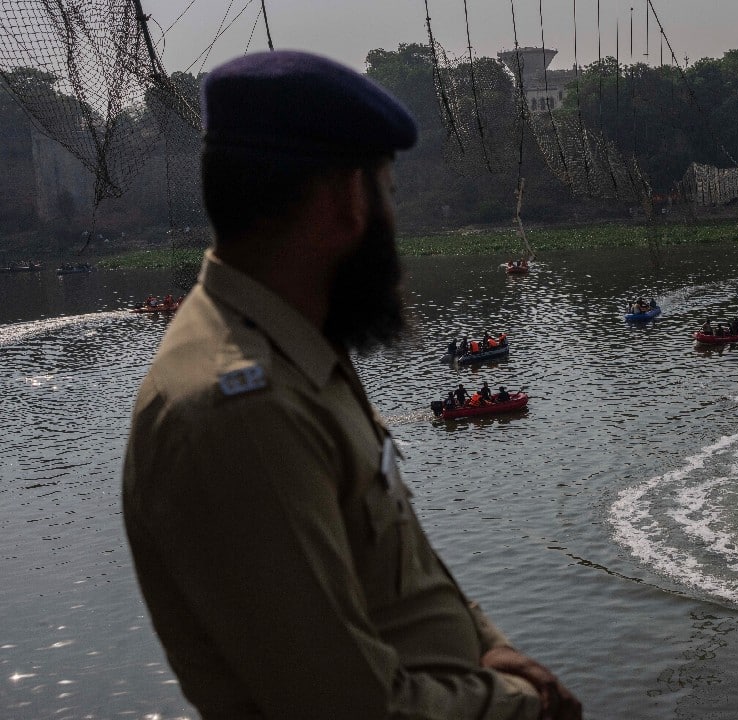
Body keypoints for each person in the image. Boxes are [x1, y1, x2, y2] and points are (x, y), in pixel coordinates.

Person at [121, 50, 578, 720]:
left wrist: (485, 647)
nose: (396, 227)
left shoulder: (300, 354)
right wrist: (518, 704)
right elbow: (351, 707)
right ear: (347, 201)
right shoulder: (242, 411)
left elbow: (396, 570)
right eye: (389, 194)